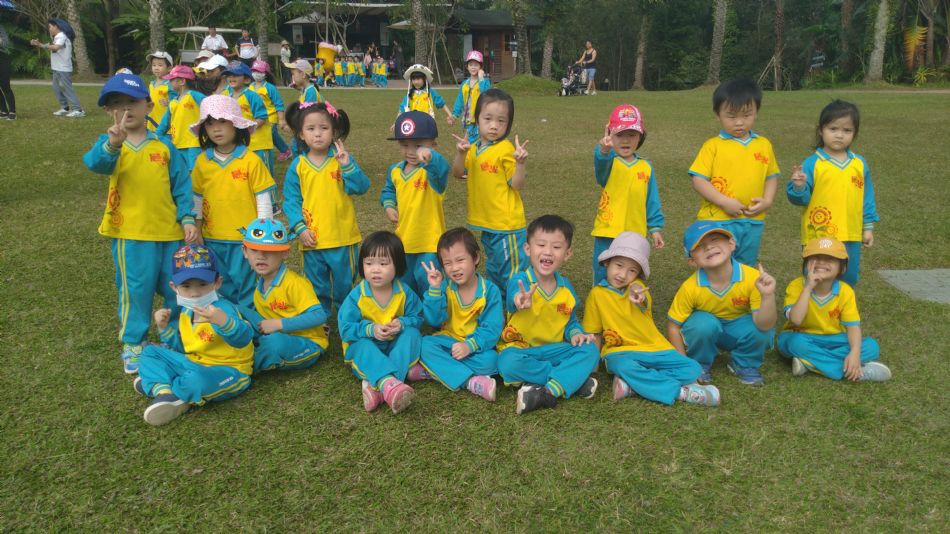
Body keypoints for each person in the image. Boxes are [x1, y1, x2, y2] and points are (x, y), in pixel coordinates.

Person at [81, 73, 197, 373]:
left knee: (180, 287)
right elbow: (94, 164)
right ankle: (134, 342)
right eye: (117, 104)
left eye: (132, 102)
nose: (125, 110)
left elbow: (181, 185)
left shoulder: (164, 146)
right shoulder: (110, 144)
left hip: (170, 233)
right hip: (130, 234)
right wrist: (112, 144)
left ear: (149, 105)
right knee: (136, 290)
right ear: (108, 111)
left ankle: (175, 335)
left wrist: (187, 218)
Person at [583, 232, 719, 406]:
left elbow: (640, 294)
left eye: (632, 270)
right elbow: (594, 333)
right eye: (619, 265)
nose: (623, 275)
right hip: (620, 352)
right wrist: (592, 372)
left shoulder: (638, 288)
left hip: (656, 348)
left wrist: (637, 294)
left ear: (638, 274)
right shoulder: (596, 294)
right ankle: (681, 393)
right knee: (623, 366)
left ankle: (633, 386)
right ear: (607, 262)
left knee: (693, 369)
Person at [135, 244, 254, 426]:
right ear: (174, 287)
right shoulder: (186, 311)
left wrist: (223, 321)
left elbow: (244, 338)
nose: (195, 293)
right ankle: (164, 392)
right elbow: (183, 348)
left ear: (217, 283)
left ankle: (162, 384)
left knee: (195, 381)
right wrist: (164, 328)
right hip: (194, 363)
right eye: (186, 286)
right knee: (149, 352)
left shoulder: (222, 309)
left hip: (230, 370)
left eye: (203, 284)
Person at [496, 215, 600, 415]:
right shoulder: (520, 280)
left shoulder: (566, 289)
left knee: (590, 349)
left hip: (555, 351)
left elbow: (570, 322)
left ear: (567, 254)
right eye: (541, 245)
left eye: (556, 247)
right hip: (521, 351)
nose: (548, 252)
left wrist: (576, 333)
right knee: (506, 362)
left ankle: (548, 389)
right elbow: (513, 297)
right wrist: (519, 299)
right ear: (528, 249)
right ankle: (571, 380)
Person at [189, 95, 276, 307]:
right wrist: (197, 230)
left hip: (245, 240)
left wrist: (262, 235)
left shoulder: (251, 160)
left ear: (236, 124)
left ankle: (250, 322)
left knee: (247, 286)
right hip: (213, 238)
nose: (216, 129)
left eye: (222, 121)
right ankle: (227, 321)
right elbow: (197, 200)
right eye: (210, 123)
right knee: (220, 284)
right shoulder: (201, 162)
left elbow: (263, 200)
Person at [666, 221, 777, 386]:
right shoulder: (690, 287)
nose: (709, 247)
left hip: (738, 328)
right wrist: (684, 365)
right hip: (706, 331)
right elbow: (673, 327)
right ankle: (700, 363)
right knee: (702, 324)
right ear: (692, 261)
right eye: (699, 246)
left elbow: (765, 325)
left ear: (732, 244)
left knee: (762, 330)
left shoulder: (753, 278)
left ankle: (744, 363)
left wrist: (767, 296)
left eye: (715, 239)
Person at [283, 101, 369, 312]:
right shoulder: (298, 166)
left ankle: (346, 315)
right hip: (312, 239)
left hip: (342, 237)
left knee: (344, 284)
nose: (318, 134)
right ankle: (319, 318)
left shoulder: (341, 160)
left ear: (334, 132)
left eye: (324, 128)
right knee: (315, 285)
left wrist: (347, 166)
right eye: (311, 129)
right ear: (301, 134)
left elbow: (361, 187)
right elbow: (291, 201)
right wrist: (300, 228)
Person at [688, 79, 780, 266]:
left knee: (745, 266)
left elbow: (771, 176)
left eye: (746, 115)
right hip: (718, 220)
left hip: (752, 221)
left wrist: (767, 201)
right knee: (716, 264)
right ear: (718, 115)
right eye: (731, 116)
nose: (739, 122)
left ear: (756, 112)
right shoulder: (713, 146)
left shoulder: (763, 145)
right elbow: (698, 180)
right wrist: (724, 202)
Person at [787, 100, 878, 286]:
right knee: (816, 277)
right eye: (833, 128)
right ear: (821, 130)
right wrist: (799, 186)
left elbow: (866, 198)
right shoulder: (812, 163)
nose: (839, 135)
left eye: (847, 130)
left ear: (855, 133)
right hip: (819, 234)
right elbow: (801, 199)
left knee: (848, 278)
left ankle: (842, 304)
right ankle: (811, 304)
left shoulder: (859, 164)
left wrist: (868, 228)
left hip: (850, 234)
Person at [450, 88, 529, 300]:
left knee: (512, 275)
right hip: (487, 224)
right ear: (477, 119)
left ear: (508, 124)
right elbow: (458, 173)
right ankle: (498, 309)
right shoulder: (473, 148)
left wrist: (520, 164)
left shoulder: (505, 149)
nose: (494, 126)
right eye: (488, 119)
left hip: (506, 226)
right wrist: (460, 153)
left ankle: (517, 310)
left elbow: (517, 185)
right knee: (494, 270)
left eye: (501, 121)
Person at [777, 237, 890, 381]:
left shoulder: (845, 291)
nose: (821, 262)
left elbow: (853, 327)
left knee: (871, 346)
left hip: (835, 338)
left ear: (842, 268)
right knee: (793, 343)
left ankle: (809, 363)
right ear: (806, 263)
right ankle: (850, 371)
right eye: (816, 258)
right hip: (802, 336)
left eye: (830, 259)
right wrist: (808, 287)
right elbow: (796, 319)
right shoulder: (796, 286)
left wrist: (855, 353)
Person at [337, 231, 422, 414]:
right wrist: (370, 329)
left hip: (393, 346)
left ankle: (379, 388)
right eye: (369, 263)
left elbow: (417, 317)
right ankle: (389, 383)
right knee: (362, 346)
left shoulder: (404, 292)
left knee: (412, 334)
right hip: (367, 349)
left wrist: (402, 323)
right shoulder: (357, 296)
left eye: (383, 264)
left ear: (398, 265)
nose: (375, 269)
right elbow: (345, 329)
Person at [418, 227, 503, 401]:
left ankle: (435, 369)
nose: (455, 268)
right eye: (448, 263)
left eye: (460, 260)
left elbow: (492, 329)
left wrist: (469, 346)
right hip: (448, 341)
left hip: (476, 348)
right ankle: (470, 382)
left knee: (493, 361)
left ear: (476, 257)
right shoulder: (444, 287)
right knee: (424, 345)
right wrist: (434, 290)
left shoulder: (489, 291)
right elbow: (434, 320)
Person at [238, 218, 328, 372]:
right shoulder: (259, 288)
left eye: (269, 251)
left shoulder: (294, 283)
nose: (261, 256)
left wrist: (279, 324)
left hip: (307, 342)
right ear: (245, 252)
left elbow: (319, 316)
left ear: (285, 252)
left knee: (274, 343)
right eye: (254, 250)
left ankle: (244, 366)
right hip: (277, 333)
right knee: (237, 309)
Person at [591, 104, 665, 285]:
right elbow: (600, 166)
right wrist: (604, 150)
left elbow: (652, 200)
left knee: (630, 274)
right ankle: (600, 299)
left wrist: (655, 228)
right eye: (619, 134)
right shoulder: (609, 161)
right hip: (608, 231)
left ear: (641, 136)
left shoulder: (646, 167)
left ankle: (627, 302)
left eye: (632, 135)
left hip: (635, 234)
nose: (625, 140)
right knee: (603, 272)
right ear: (610, 134)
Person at [380, 111, 450, 297]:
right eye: (405, 145)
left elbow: (442, 170)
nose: (411, 152)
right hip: (404, 241)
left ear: (433, 145)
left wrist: (431, 157)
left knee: (430, 283)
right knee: (405, 285)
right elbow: (388, 190)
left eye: (418, 145)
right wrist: (389, 205)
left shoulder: (431, 172)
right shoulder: (395, 170)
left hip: (430, 243)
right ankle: (412, 312)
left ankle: (435, 312)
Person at [221, 62, 275, 174]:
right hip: (239, 143)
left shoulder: (252, 96)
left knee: (263, 173)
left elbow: (261, 118)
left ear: (246, 80)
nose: (231, 78)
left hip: (258, 144)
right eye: (229, 75)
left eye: (235, 75)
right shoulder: (225, 95)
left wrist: (246, 129)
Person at [155, 64, 206, 170]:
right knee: (182, 173)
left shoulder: (194, 95)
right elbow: (164, 123)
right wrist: (155, 137)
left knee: (195, 172)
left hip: (194, 144)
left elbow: (210, 106)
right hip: (177, 144)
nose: (169, 82)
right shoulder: (173, 102)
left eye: (172, 80)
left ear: (182, 81)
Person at [31, 19, 84, 117]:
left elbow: (56, 47)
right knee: (57, 88)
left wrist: (40, 45)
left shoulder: (62, 36)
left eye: (50, 27)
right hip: (57, 67)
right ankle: (65, 108)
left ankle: (78, 110)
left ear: (56, 26)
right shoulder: (57, 37)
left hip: (63, 68)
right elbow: (54, 46)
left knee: (67, 89)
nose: (49, 29)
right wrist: (40, 45)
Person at [249, 59, 292, 162]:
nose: (256, 73)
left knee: (271, 133)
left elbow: (278, 104)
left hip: (270, 117)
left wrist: (281, 120)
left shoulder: (270, 88)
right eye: (254, 71)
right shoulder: (250, 87)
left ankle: (285, 150)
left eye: (259, 71)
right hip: (257, 116)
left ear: (265, 74)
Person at [451, 50, 491, 143]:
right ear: (467, 66)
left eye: (476, 65)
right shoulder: (464, 84)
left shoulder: (485, 82)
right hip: (468, 120)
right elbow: (460, 100)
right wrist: (454, 115)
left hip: (480, 120)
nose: (473, 67)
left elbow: (485, 95)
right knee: (469, 143)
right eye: (471, 65)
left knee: (478, 142)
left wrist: (481, 79)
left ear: (481, 67)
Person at [145, 51, 174, 131]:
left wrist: (169, 102)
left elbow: (178, 101)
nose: (156, 68)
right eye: (154, 65)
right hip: (151, 123)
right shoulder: (151, 84)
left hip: (165, 125)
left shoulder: (170, 84)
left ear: (169, 68)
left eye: (160, 65)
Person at [0, 22, 17, 120]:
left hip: (2, 58)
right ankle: (3, 110)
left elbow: (6, 43)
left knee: (5, 85)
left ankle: (12, 112)